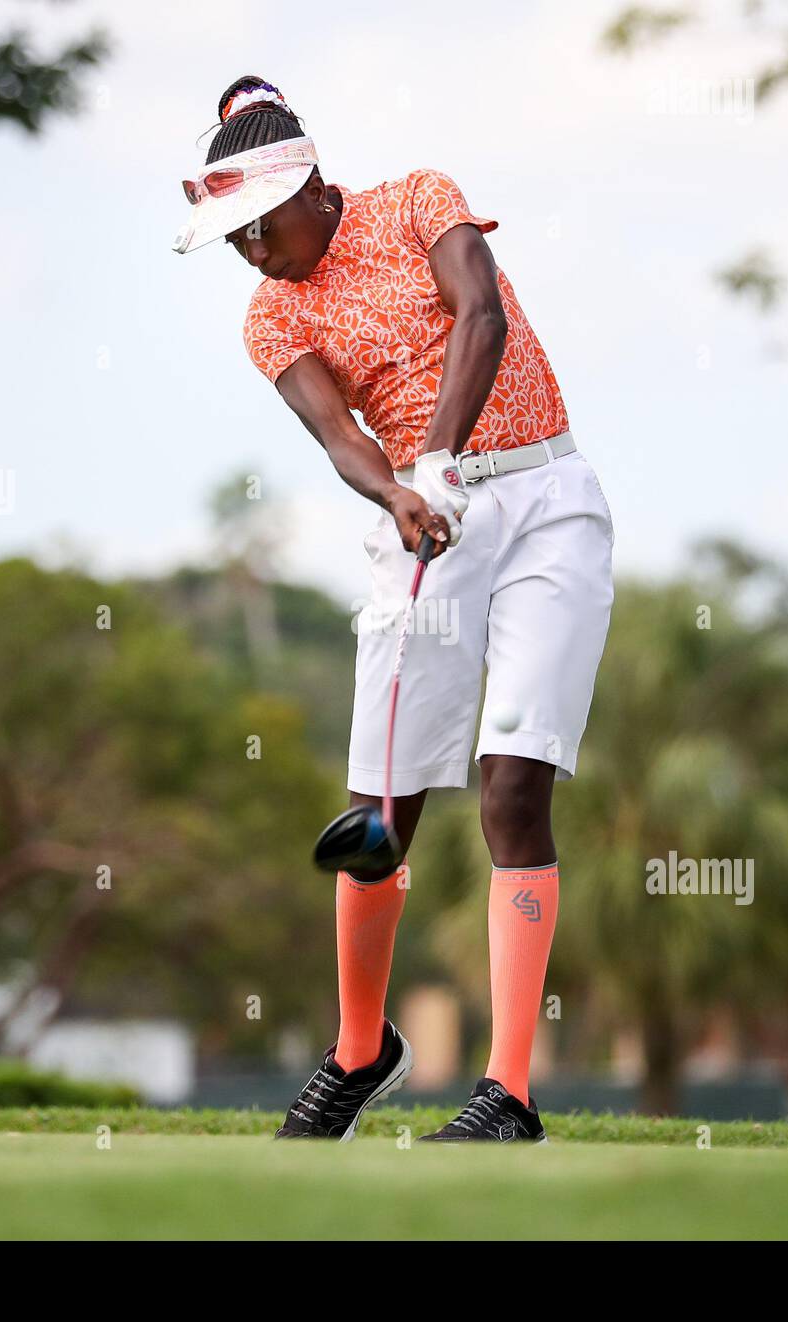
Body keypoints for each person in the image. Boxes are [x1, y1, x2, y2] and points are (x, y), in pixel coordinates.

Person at [176, 75, 614, 1142]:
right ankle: (359, 1049)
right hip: (423, 520)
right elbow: (339, 439)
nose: (248, 251)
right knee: (383, 811)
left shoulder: (419, 198)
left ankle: (506, 1090)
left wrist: (443, 456)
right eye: (228, 239)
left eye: (255, 226)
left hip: (546, 501)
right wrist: (401, 489)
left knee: (513, 787)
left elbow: (483, 313)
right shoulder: (269, 315)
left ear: (312, 186)